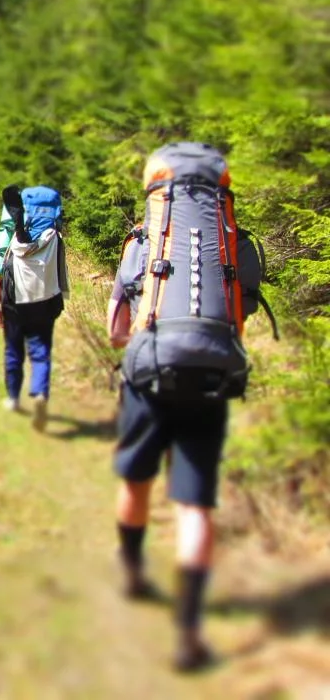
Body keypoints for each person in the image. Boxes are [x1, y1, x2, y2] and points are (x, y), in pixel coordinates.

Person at [106, 142, 271, 674]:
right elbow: (243, 308)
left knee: (136, 480)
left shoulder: (142, 239)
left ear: (156, 189)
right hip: (213, 376)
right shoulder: (235, 241)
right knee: (194, 506)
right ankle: (189, 632)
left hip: (149, 372)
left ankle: (132, 571)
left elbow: (117, 330)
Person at [0, 184, 69, 431]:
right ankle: (40, 394)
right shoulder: (55, 237)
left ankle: (13, 398)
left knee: (13, 350)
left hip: (15, 305)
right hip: (46, 302)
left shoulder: (12, 238)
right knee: (41, 350)